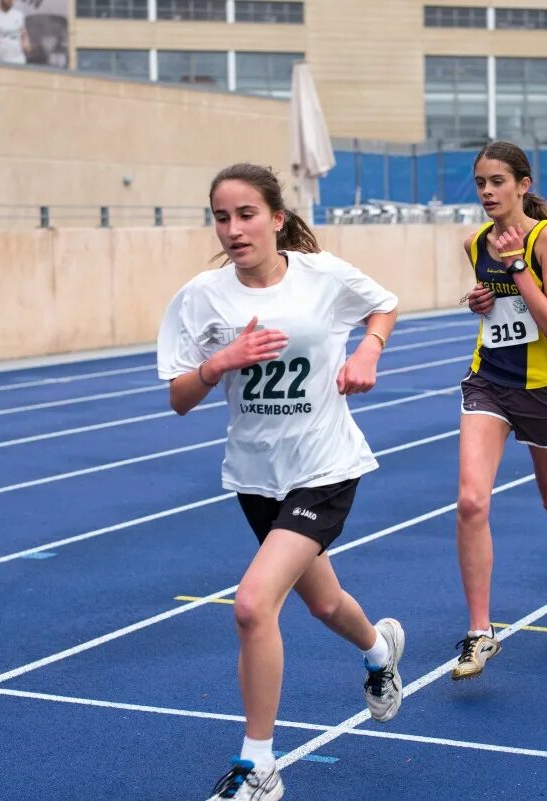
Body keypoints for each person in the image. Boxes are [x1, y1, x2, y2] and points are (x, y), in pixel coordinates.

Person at [157, 163, 404, 801]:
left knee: (251, 604)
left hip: (325, 465)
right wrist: (220, 362)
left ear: (278, 219)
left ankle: (259, 766)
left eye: (246, 215)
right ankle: (379, 650)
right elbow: (179, 398)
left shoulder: (321, 278)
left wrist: (368, 351)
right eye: (221, 217)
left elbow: (383, 305)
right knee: (322, 603)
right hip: (257, 475)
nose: (234, 229)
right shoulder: (202, 296)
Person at [453, 141, 547, 680]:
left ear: (523, 185)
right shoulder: (474, 242)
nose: (487, 192)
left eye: (498, 182)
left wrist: (517, 269)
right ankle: (480, 632)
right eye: (481, 182)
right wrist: (479, 301)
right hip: (489, 382)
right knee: (469, 501)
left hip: (545, 388)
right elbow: (496, 307)